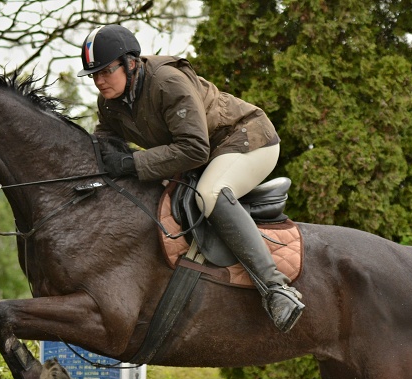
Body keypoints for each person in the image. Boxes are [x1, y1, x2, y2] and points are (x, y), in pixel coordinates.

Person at [77, 24, 305, 333]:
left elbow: (195, 149)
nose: (99, 81)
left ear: (130, 63)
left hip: (247, 139)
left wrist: (132, 162)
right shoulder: (111, 101)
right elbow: (104, 142)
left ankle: (276, 289)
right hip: (204, 154)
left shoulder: (167, 82)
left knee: (209, 194)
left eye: (105, 71)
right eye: (94, 75)